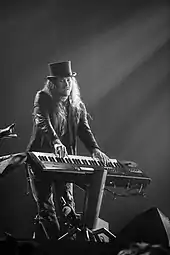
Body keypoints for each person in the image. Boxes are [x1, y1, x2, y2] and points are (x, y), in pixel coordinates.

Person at [26, 60, 110, 240]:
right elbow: (42, 122)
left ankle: (63, 247)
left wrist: (94, 149)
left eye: (69, 80)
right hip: (40, 163)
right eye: (63, 80)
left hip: (64, 164)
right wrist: (55, 141)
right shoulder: (43, 98)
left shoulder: (77, 105)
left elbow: (84, 130)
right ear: (53, 83)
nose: (67, 83)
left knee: (68, 210)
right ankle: (56, 249)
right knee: (47, 212)